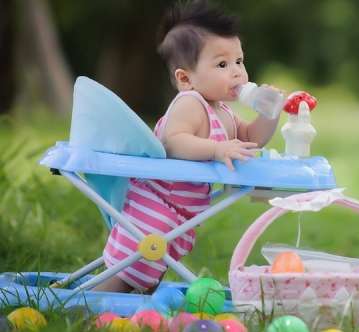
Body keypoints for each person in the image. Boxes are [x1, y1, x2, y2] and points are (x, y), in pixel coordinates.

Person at [94, 0, 281, 292]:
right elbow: (174, 142)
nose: (236, 73)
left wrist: (270, 113)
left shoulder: (223, 110)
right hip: (153, 209)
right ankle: (89, 306)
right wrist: (217, 150)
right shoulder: (190, 103)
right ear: (185, 78)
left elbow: (251, 137)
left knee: (145, 277)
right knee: (125, 275)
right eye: (222, 64)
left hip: (179, 216)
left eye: (239, 62)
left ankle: (133, 310)